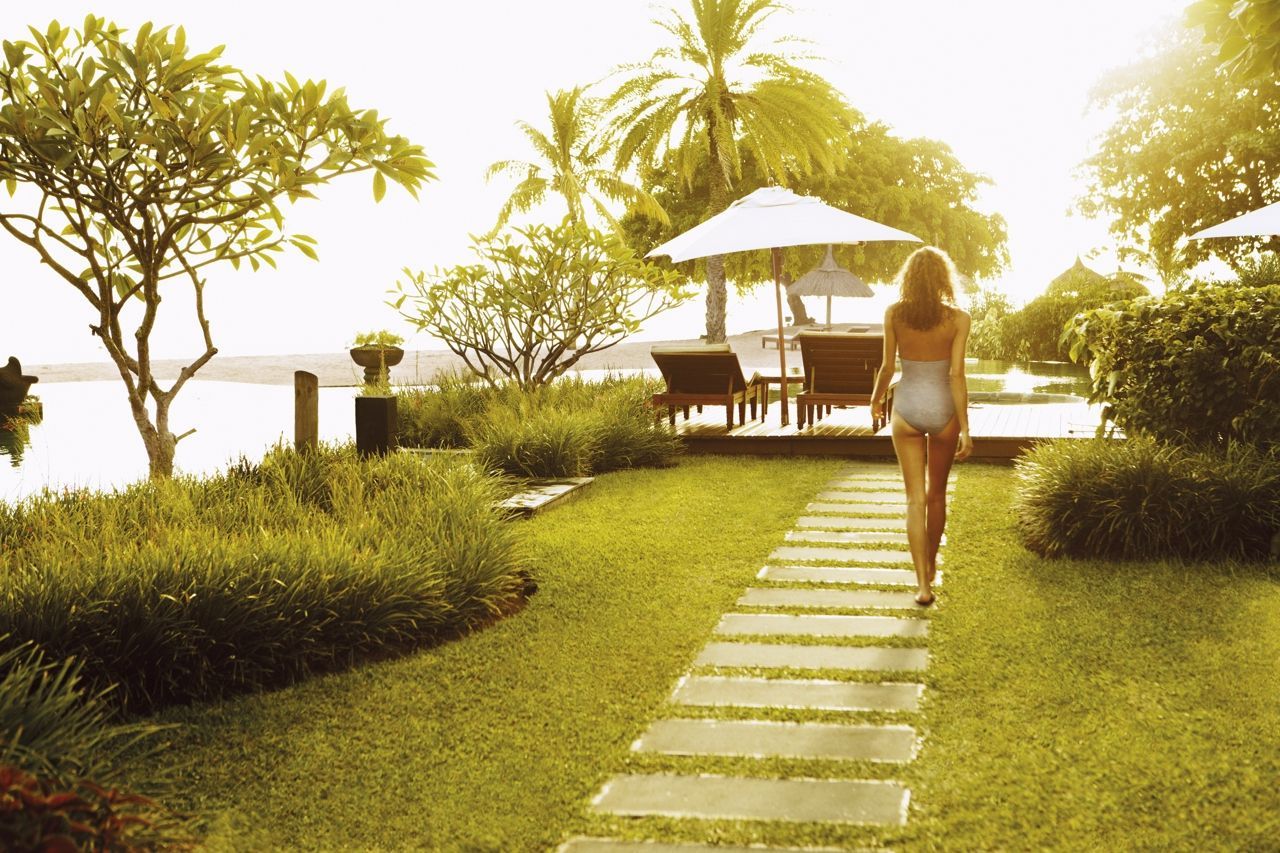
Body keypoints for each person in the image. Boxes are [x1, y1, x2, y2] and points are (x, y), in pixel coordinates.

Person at [870, 247, 972, 607]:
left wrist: (875, 399)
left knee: (914, 500)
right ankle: (930, 564)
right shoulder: (959, 319)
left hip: (908, 408)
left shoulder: (894, 314)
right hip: (944, 410)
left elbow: (887, 367)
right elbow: (956, 375)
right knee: (936, 496)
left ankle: (922, 586)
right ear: (944, 278)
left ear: (909, 278)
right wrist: (965, 429)